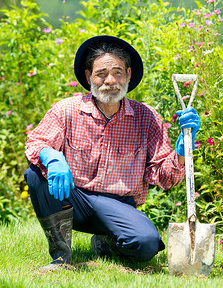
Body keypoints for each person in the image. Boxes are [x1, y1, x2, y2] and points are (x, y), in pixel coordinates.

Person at [24, 35, 201, 271]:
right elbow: (35, 143)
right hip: (72, 199)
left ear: (128, 75)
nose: (110, 80)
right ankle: (61, 258)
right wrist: (52, 156)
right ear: (89, 77)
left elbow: (165, 176)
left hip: (118, 206)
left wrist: (181, 148)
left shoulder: (146, 117)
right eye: (101, 74)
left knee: (146, 245)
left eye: (118, 72)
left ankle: (106, 242)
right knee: (36, 174)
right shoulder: (66, 110)